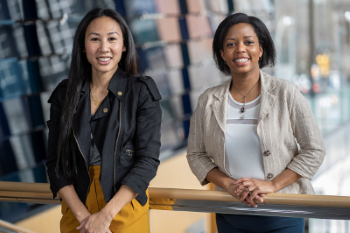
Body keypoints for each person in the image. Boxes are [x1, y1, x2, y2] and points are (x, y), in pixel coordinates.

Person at [186, 13, 325, 233]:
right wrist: (228, 184)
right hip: (230, 214)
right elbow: (195, 154)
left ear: (260, 49)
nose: (240, 49)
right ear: (222, 54)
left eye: (249, 42)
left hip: (284, 212)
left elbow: (314, 150)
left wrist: (272, 185)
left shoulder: (285, 92)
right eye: (231, 44)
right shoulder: (208, 100)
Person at [46, 8, 162, 233]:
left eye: (112, 39)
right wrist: (84, 217)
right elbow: (55, 164)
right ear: (82, 46)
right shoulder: (64, 94)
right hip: (76, 208)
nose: (104, 48)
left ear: (124, 45)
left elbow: (147, 161)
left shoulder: (141, 92)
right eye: (94, 39)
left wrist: (105, 217)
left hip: (123, 205)